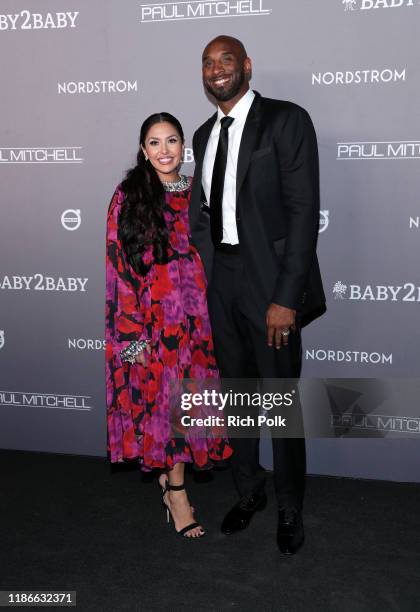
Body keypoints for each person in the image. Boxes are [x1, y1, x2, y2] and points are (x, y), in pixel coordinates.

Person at [189, 36, 326, 554]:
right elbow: (203, 214)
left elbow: (303, 212)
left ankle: (291, 505)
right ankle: (250, 491)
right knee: (238, 395)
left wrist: (286, 297)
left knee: (279, 401)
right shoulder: (203, 134)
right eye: (208, 63)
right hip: (220, 280)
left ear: (246, 66)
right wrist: (202, 280)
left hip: (270, 283)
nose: (217, 70)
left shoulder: (286, 121)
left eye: (227, 60)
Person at [105, 112, 232, 539]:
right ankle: (176, 493)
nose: (164, 150)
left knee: (187, 405)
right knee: (167, 405)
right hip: (152, 322)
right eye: (154, 143)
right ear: (143, 150)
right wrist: (131, 335)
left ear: (184, 148)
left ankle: (171, 480)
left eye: (172, 141)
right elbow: (117, 268)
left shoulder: (199, 192)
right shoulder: (128, 196)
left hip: (198, 319)